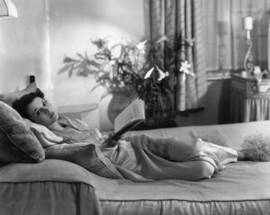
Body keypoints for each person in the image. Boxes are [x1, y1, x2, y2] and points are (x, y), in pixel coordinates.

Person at [13, 88, 246, 182]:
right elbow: (90, 153)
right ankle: (213, 156)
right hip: (127, 160)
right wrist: (109, 141)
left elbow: (97, 135)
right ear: (33, 120)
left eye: (44, 102)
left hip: (131, 142)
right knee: (202, 169)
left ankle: (234, 153)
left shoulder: (69, 120)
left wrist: (117, 133)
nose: (47, 109)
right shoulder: (50, 138)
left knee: (185, 146)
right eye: (38, 112)